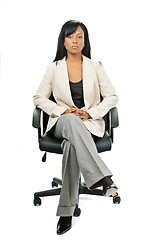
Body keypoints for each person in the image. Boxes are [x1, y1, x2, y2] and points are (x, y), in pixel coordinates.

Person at [33, 20, 119, 235]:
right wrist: (63, 111)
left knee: (72, 145)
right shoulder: (54, 68)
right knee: (71, 122)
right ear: (63, 40)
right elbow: (38, 98)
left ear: (85, 41)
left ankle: (66, 211)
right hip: (62, 123)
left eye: (79, 36)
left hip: (89, 124)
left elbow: (112, 97)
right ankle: (103, 179)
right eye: (70, 36)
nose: (75, 41)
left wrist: (91, 113)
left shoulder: (95, 66)